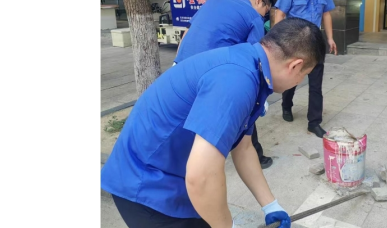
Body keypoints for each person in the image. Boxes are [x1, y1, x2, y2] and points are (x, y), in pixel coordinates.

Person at [101, 17, 326, 228]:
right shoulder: (236, 81)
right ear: (296, 66)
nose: (298, 81)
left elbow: (244, 147)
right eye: (304, 75)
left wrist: (270, 205)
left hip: (172, 179)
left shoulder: (253, 67)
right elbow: (202, 176)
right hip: (145, 188)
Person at [173, 0, 276, 169]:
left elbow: (187, 33)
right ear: (260, 1)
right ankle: (253, 155)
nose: (264, 17)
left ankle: (182, 158)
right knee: (243, 109)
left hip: (183, 65)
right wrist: (259, 94)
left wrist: (177, 63)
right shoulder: (253, 17)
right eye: (266, 12)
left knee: (185, 114)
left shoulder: (215, 0)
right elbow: (255, 57)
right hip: (212, 71)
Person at [272, 0, 338, 138]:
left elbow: (326, 15)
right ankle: (286, 105)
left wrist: (330, 38)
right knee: (292, 79)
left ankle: (314, 122)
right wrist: (278, 42)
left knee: (316, 85)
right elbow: (280, 14)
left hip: (315, 42)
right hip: (294, 43)